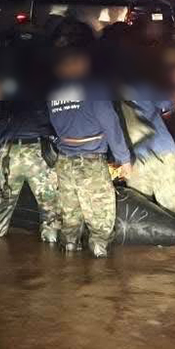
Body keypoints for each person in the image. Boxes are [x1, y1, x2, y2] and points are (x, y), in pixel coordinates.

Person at [47, 48, 131, 258]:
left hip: (64, 162)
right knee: (101, 215)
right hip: (90, 162)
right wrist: (124, 159)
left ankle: (69, 252)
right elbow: (111, 124)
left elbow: (54, 125)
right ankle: (99, 260)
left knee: (70, 213)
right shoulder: (93, 88)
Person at [0, 101, 60, 242]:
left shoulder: (4, 97)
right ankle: (52, 243)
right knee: (49, 205)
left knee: (3, 202)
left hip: (8, 152)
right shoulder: (45, 95)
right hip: (38, 152)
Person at [121, 94, 175, 219]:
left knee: (141, 213)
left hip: (134, 160)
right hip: (163, 151)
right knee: (172, 209)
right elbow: (168, 102)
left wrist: (121, 159)